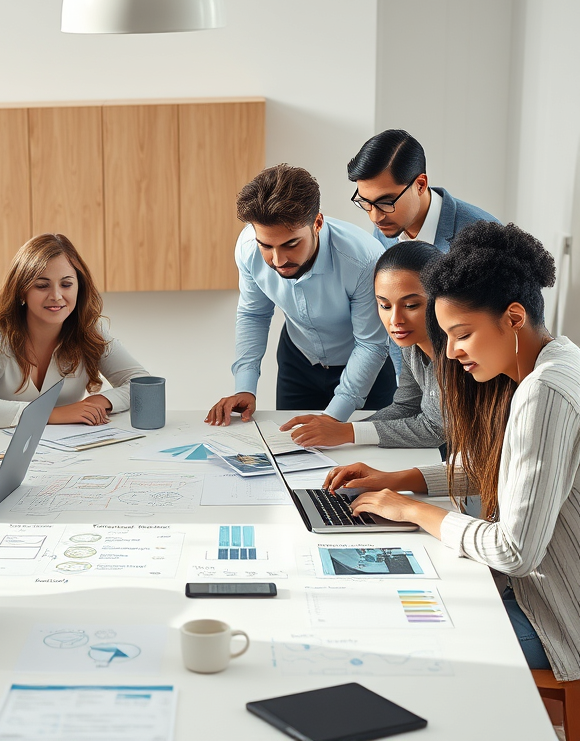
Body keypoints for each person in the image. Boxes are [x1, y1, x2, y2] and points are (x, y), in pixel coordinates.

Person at [323, 222, 580, 681]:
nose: (454, 353)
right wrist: (396, 481)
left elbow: (514, 552)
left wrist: (413, 511)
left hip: (556, 617)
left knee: (391, 642)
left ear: (514, 318)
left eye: (462, 334)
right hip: (530, 592)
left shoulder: (543, 392)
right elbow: (498, 468)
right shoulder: (556, 358)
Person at [206, 164, 395, 427]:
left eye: (291, 244)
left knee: (367, 461)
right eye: (266, 245)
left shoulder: (364, 259)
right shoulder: (248, 247)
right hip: (298, 362)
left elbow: (370, 344)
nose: (278, 260)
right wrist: (245, 387)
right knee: (294, 455)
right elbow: (254, 314)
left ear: (317, 222)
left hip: (366, 366)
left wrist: (333, 418)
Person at [0, 233, 149, 428]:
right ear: (22, 290)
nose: (56, 296)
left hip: (68, 450)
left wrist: (100, 401)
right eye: (42, 285)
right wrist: (53, 414)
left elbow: (144, 385)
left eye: (66, 284)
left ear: (79, 288)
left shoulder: (90, 329)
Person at [280, 242, 446, 449]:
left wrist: (348, 432)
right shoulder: (411, 345)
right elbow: (406, 407)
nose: (395, 319)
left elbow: (436, 429)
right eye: (384, 305)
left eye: (411, 305)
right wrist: (340, 432)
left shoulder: (457, 353)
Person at [347, 129, 498, 252]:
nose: (375, 217)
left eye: (386, 202)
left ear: (420, 185)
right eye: (365, 202)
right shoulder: (385, 224)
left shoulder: (486, 240)